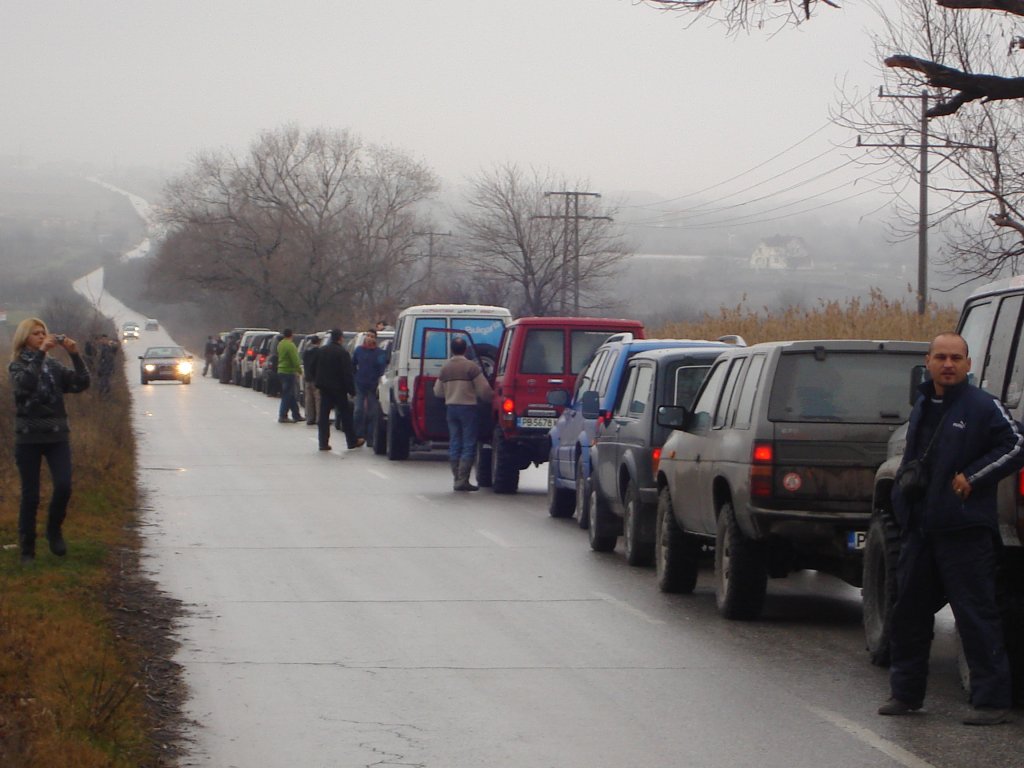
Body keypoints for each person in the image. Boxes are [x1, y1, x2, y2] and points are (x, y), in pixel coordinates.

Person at [880, 332, 1024, 726]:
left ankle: (991, 701)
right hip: (920, 530)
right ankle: (905, 694)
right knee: (908, 613)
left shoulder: (982, 406)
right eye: (941, 357)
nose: (948, 364)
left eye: (956, 358)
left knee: (975, 615)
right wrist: (902, 504)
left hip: (964, 533)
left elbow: (1016, 445)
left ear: (968, 364)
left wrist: (973, 477)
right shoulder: (923, 404)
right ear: (927, 362)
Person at [8, 318, 90, 564]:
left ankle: (54, 530)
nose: (42, 337)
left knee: (64, 486)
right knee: (31, 496)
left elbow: (81, 383)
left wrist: (74, 354)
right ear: (25, 338)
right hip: (28, 438)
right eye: (36, 333)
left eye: (44, 333)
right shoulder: (17, 365)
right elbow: (26, 385)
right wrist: (41, 354)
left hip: (57, 436)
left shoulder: (53, 365)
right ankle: (27, 549)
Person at [433, 335, 493, 491]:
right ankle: (463, 479)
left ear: (452, 350)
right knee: (468, 442)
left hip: (451, 408)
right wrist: (491, 399)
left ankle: (456, 478)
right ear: (466, 350)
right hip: (468, 408)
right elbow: (484, 390)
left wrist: (450, 393)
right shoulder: (471, 367)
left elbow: (437, 392)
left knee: (455, 442)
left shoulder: (445, 368)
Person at [314, 329, 363, 451]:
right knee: (345, 415)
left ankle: (323, 442)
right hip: (339, 389)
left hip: (324, 388)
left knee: (324, 416)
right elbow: (347, 373)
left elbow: (313, 368)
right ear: (340, 338)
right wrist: (351, 390)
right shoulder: (342, 353)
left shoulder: (322, 351)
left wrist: (318, 381)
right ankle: (351, 441)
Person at [352, 329, 386, 440]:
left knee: (372, 412)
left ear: (375, 339)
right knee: (358, 410)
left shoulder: (380, 353)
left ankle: (371, 437)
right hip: (360, 384)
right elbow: (353, 365)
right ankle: (358, 435)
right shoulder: (359, 350)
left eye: (372, 336)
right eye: (368, 335)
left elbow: (382, 369)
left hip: (373, 386)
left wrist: (378, 383)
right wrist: (354, 377)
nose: (369, 338)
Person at [275, 329, 303, 423]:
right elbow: (295, 360)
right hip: (288, 371)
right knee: (287, 395)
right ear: (292, 335)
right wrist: (299, 371)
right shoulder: (290, 345)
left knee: (290, 394)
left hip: (281, 370)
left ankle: (296, 414)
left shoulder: (281, 344)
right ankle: (282, 415)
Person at [302, 335, 322, 426]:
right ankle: (319, 418)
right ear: (318, 342)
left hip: (307, 378)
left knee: (309, 399)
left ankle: (309, 418)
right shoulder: (319, 352)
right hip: (316, 379)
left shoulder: (306, 352)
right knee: (318, 399)